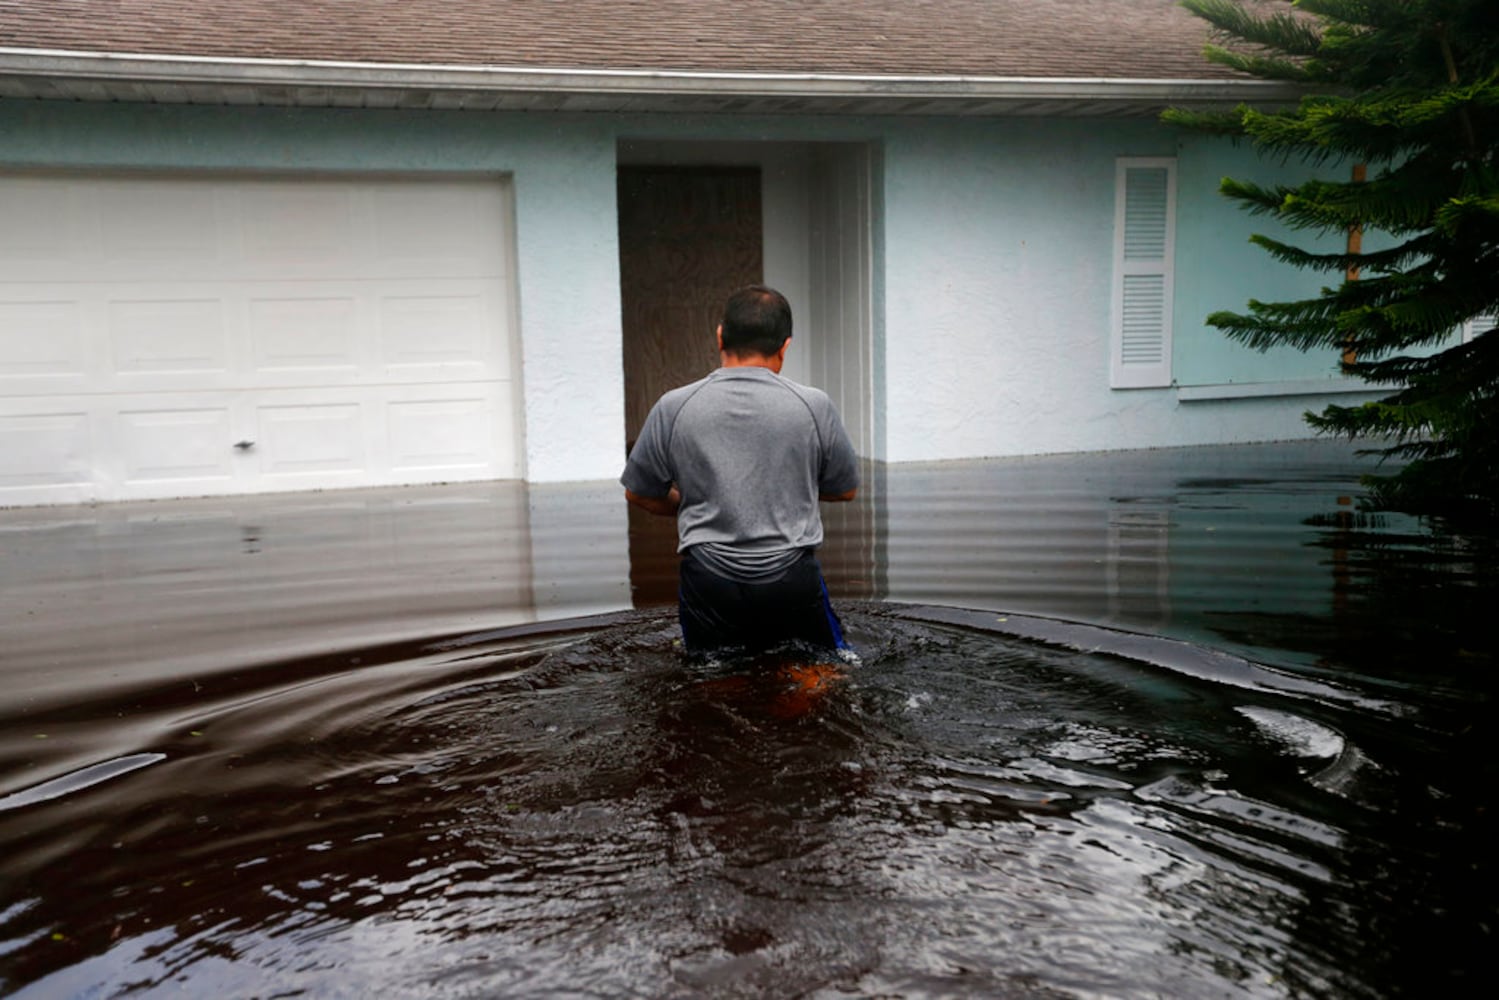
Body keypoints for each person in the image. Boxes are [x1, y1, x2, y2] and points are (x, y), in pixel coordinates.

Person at [621, 285, 860, 659]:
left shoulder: (674, 406)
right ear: (785, 346)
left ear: (720, 336)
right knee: (818, 675)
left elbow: (639, 493)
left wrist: (697, 501)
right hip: (790, 576)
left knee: (715, 684)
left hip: (709, 580)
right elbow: (845, 489)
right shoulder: (814, 406)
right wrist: (786, 487)